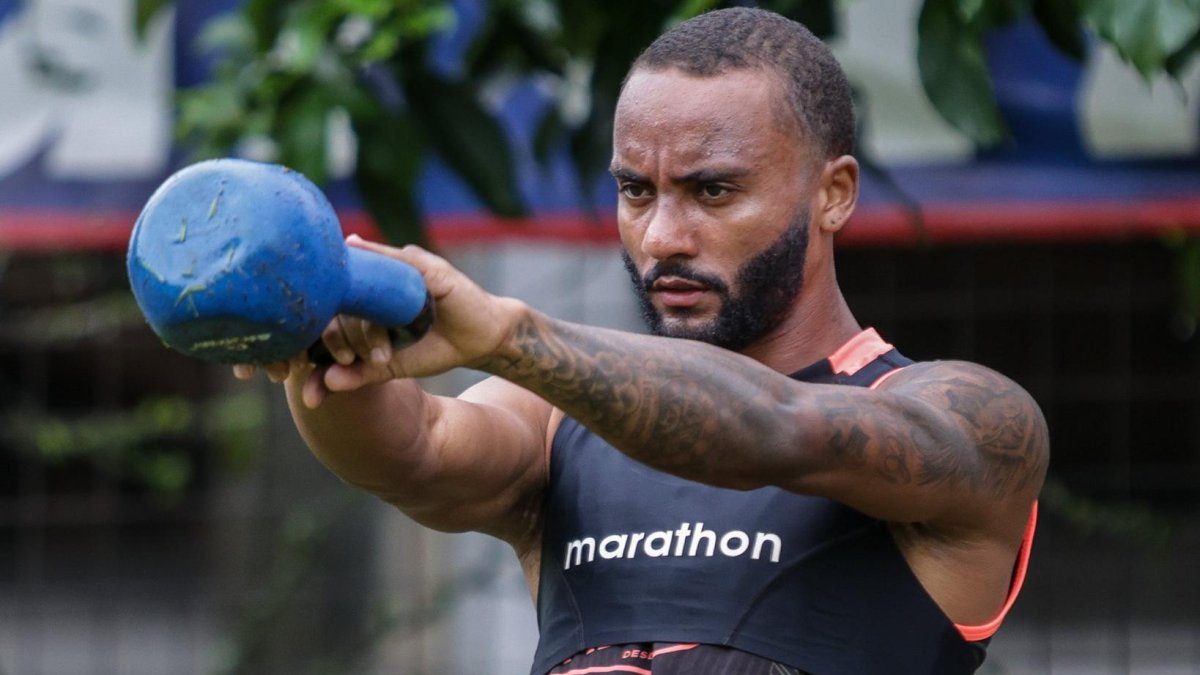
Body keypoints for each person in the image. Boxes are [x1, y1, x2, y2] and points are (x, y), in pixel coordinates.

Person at [234, 7, 1048, 674]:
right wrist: (328, 345)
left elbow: (777, 430)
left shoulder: (971, 419)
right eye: (635, 190)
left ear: (832, 194)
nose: (662, 235)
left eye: (713, 190)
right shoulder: (555, 418)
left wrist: (513, 336)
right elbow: (415, 450)